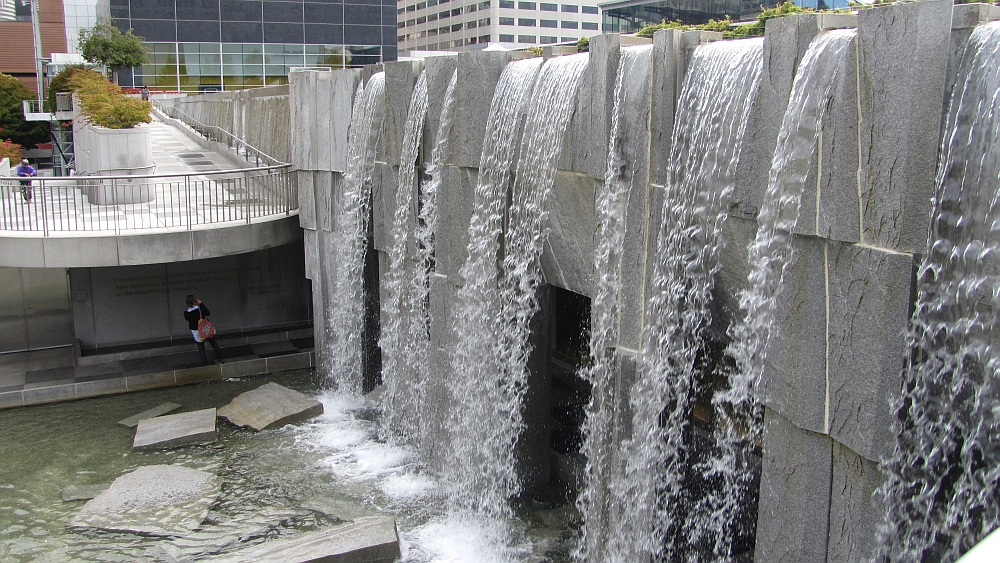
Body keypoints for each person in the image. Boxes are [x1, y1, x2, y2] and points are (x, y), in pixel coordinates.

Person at [184, 295, 225, 366]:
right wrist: (201, 304)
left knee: (201, 348)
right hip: (205, 328)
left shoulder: (186, 313)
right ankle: (220, 359)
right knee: (213, 343)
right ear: (195, 301)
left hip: (196, 331)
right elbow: (208, 313)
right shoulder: (200, 309)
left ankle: (205, 365)